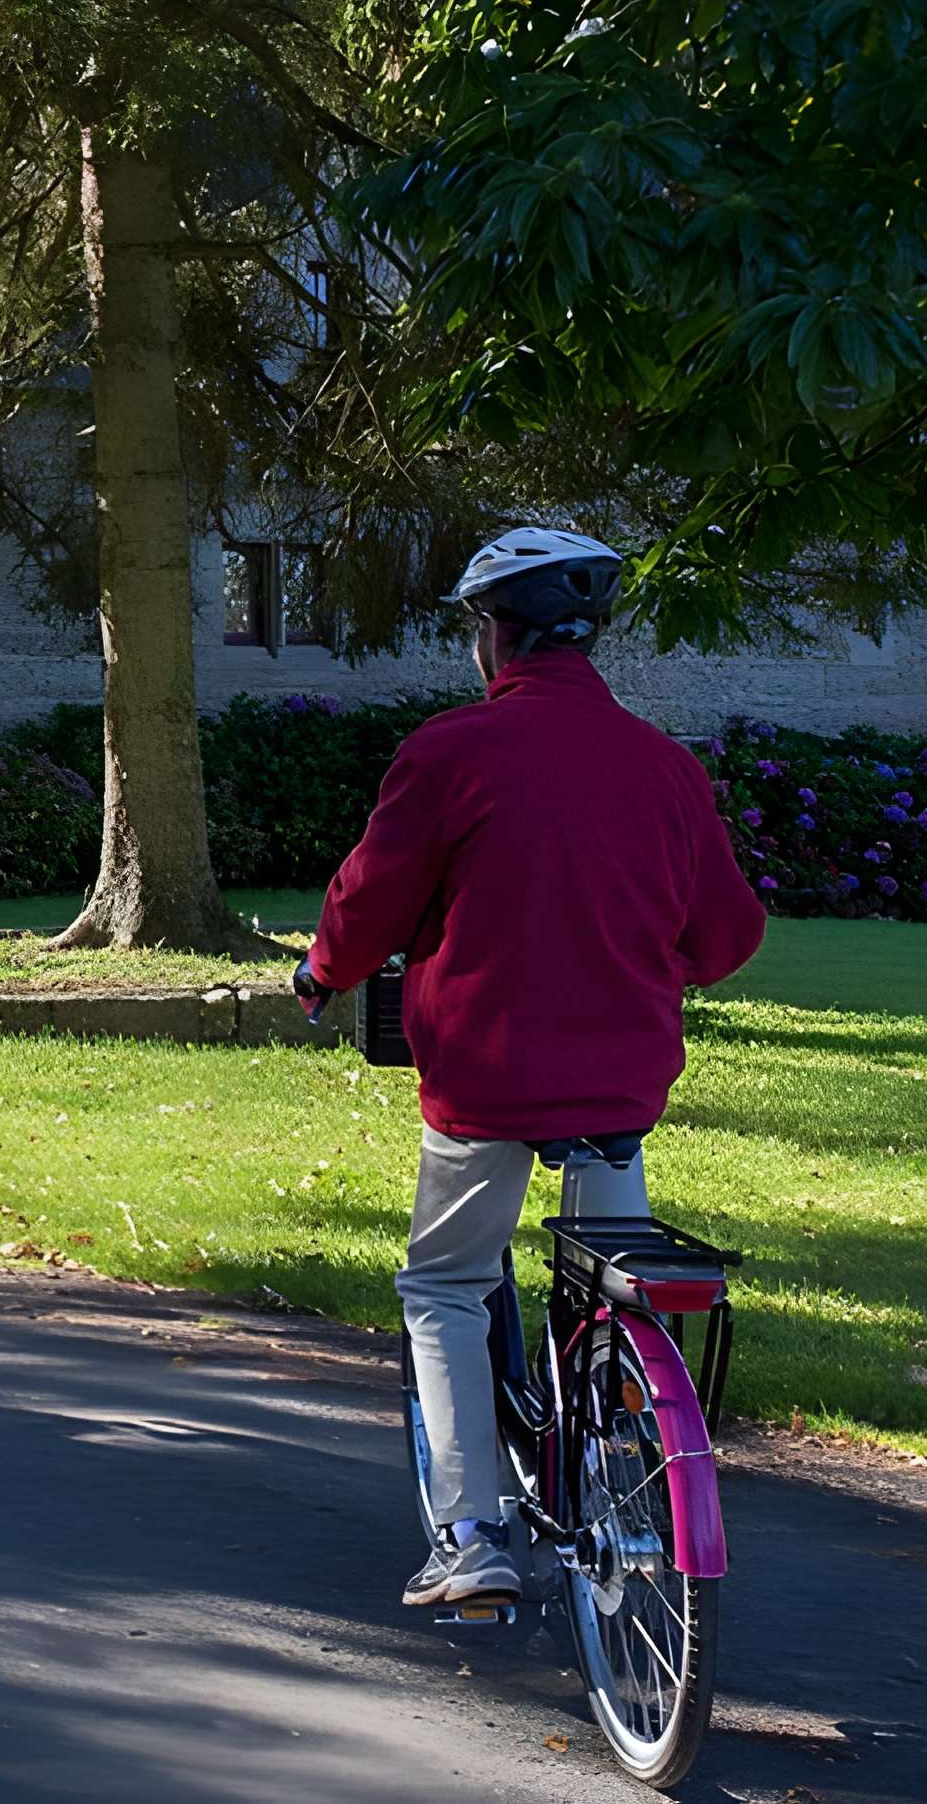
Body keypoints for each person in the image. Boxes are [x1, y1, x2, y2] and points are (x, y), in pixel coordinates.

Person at [294, 529, 765, 1608]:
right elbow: (726, 932)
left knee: (446, 1282)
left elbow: (368, 899)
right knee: (613, 1280)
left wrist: (322, 971)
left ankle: (468, 1533)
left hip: (483, 1078)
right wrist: (658, 956)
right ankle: (615, 1445)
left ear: (491, 635)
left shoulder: (451, 751)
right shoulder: (663, 765)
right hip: (617, 1080)